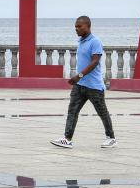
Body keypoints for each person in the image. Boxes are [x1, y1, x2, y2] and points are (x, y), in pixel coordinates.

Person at [50, 16, 117, 149]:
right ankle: (67, 139)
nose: (77, 29)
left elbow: (95, 62)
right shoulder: (81, 42)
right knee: (72, 111)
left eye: (79, 26)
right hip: (80, 85)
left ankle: (111, 138)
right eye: (75, 26)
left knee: (102, 112)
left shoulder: (95, 41)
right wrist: (79, 79)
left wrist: (79, 76)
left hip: (94, 86)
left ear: (88, 26)